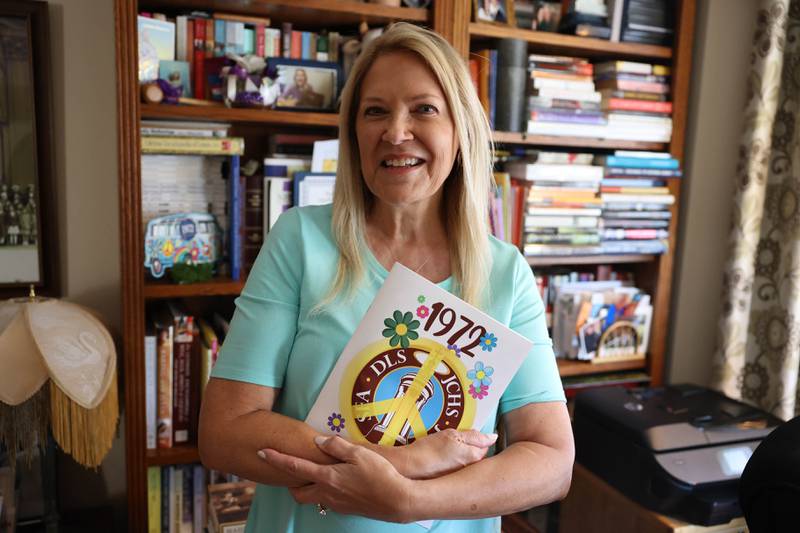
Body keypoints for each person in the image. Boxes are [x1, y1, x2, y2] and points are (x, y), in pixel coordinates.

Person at [199, 22, 574, 532]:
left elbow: (552, 461)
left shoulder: (505, 273)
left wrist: (408, 501)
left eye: (424, 109)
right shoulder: (300, 242)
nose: (396, 132)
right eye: (375, 110)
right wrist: (401, 463)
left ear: (459, 130)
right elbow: (225, 432)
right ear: (353, 133)